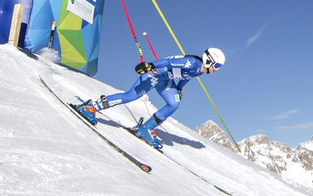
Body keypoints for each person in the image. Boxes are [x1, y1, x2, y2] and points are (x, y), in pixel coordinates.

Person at [76, 48, 226, 149]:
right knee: (130, 96)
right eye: (217, 65)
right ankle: (91, 107)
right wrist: (150, 65)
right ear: (209, 60)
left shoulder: (199, 70)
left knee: (174, 103)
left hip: (166, 80)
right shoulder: (191, 63)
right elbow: (167, 62)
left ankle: (145, 129)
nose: (217, 69)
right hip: (156, 74)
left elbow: (186, 77)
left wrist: (179, 88)